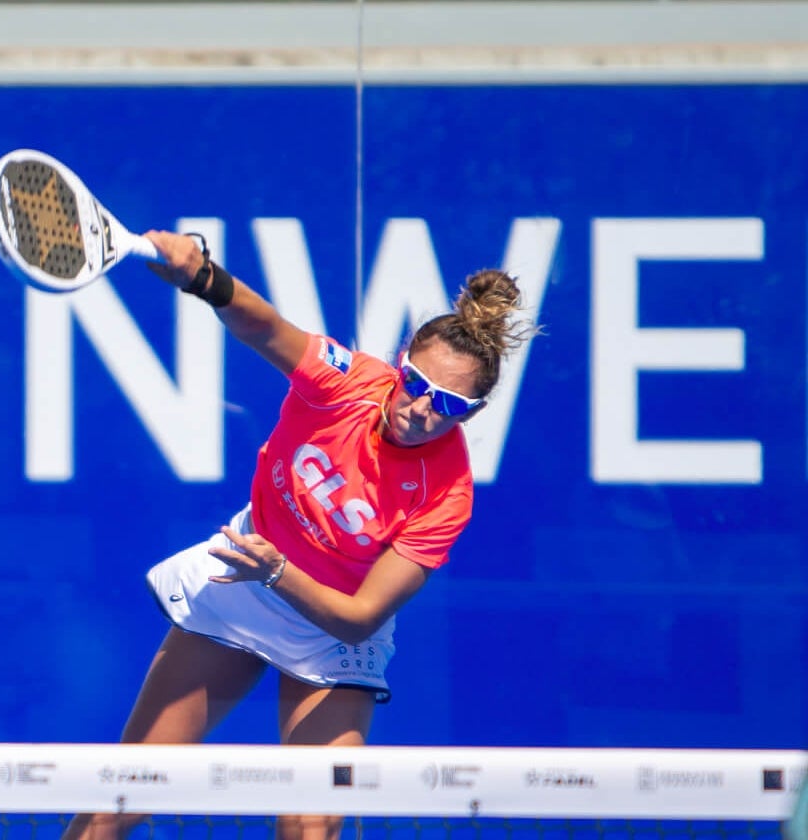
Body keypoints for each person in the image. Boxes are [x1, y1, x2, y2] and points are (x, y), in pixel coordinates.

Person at [62, 231, 537, 840]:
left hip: (330, 634)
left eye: (449, 404)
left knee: (309, 831)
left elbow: (359, 618)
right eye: (417, 384)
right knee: (115, 803)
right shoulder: (347, 382)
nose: (422, 410)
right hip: (242, 579)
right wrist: (202, 275)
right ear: (399, 363)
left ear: (474, 413)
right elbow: (264, 328)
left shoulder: (447, 494)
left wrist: (278, 572)